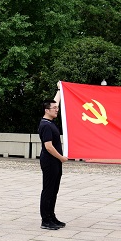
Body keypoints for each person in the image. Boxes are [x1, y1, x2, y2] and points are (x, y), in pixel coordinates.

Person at [39, 90, 68, 230]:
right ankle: (45, 220)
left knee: (54, 190)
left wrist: (59, 89)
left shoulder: (49, 122)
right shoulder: (45, 125)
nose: (57, 109)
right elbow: (48, 147)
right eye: (54, 108)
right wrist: (61, 158)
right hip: (49, 161)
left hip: (55, 162)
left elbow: (55, 101)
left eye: (57, 107)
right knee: (48, 190)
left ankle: (51, 216)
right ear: (47, 110)